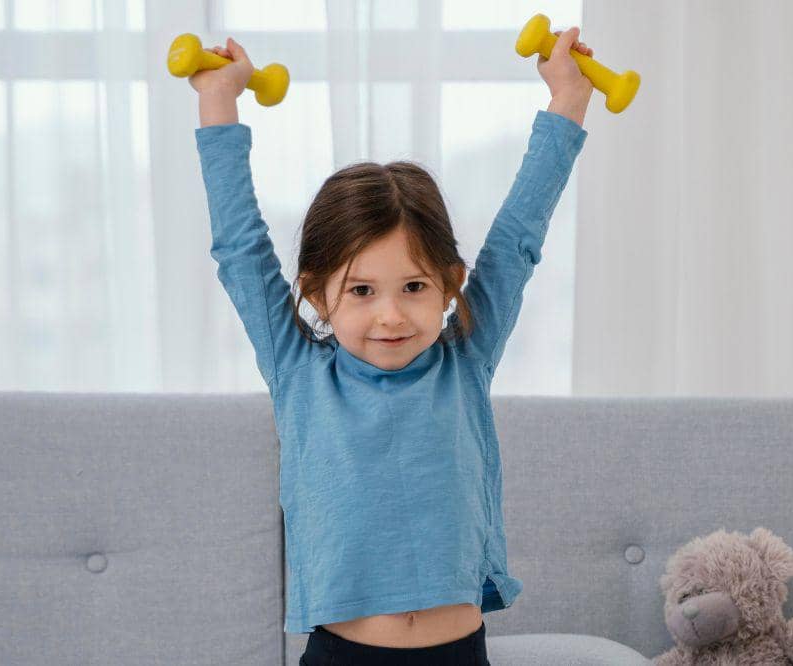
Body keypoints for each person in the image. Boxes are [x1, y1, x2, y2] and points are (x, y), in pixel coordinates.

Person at [190, 27, 593, 666]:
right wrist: (218, 103)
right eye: (361, 291)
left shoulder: (465, 355)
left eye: (412, 286)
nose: (390, 315)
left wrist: (567, 101)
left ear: (449, 286)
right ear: (318, 296)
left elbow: (519, 236)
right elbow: (239, 248)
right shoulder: (299, 372)